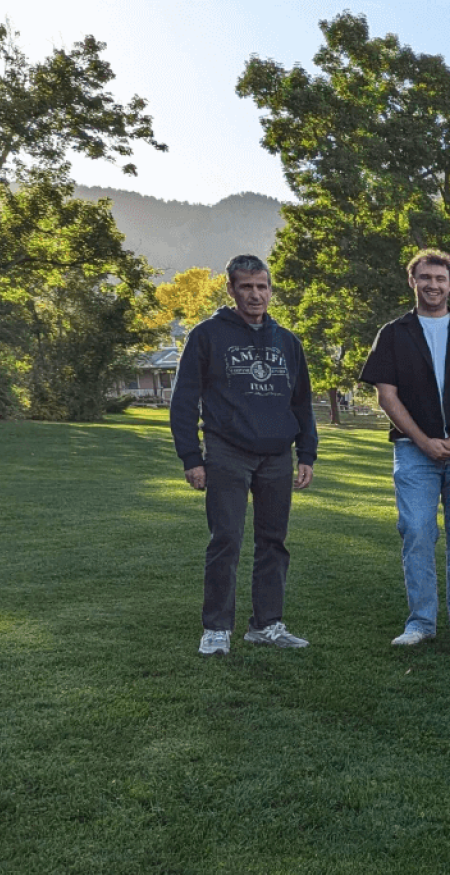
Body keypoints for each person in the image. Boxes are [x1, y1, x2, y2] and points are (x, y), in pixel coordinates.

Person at [169, 253, 317, 656]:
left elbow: (302, 403)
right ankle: (217, 628)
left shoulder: (287, 341)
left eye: (262, 287)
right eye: (247, 287)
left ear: (270, 290)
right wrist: (191, 457)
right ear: (231, 290)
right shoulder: (207, 336)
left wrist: (307, 453)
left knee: (274, 541)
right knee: (226, 540)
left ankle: (266, 624)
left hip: (276, 456)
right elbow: (184, 401)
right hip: (226, 452)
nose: (256, 295)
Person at [360, 248, 450, 647]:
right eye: (425, 278)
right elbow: (386, 396)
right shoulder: (393, 333)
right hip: (413, 450)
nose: (433, 285)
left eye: (440, 279)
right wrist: (424, 441)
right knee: (418, 532)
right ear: (413, 281)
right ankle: (420, 623)